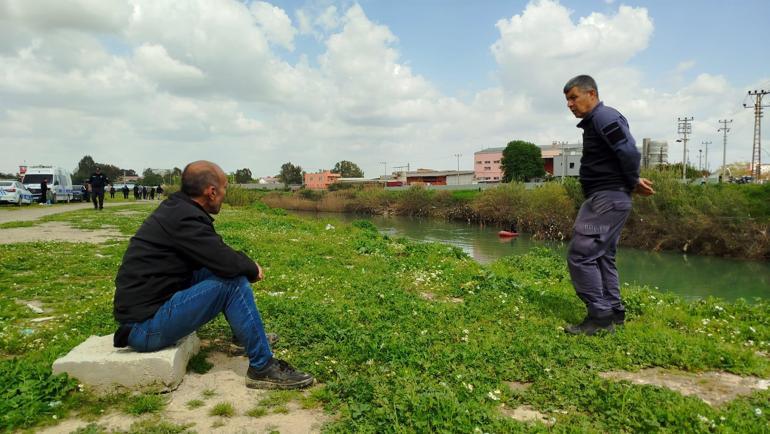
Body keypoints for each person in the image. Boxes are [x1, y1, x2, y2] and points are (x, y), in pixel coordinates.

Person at [112, 160, 313, 389]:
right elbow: (226, 261)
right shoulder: (184, 217)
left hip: (147, 314)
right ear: (212, 191)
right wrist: (251, 268)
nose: (226, 194)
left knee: (222, 271)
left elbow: (216, 256)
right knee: (233, 283)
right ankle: (263, 367)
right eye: (225, 188)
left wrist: (242, 264)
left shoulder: (178, 209)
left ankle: (244, 337)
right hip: (145, 328)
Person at [562, 75, 654, 335]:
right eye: (567, 99)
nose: (570, 104)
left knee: (581, 256)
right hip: (609, 198)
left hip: (607, 198)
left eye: (573, 97)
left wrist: (632, 179)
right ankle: (614, 311)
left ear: (591, 94)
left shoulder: (605, 117)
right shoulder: (596, 121)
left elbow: (629, 151)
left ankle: (600, 317)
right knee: (602, 256)